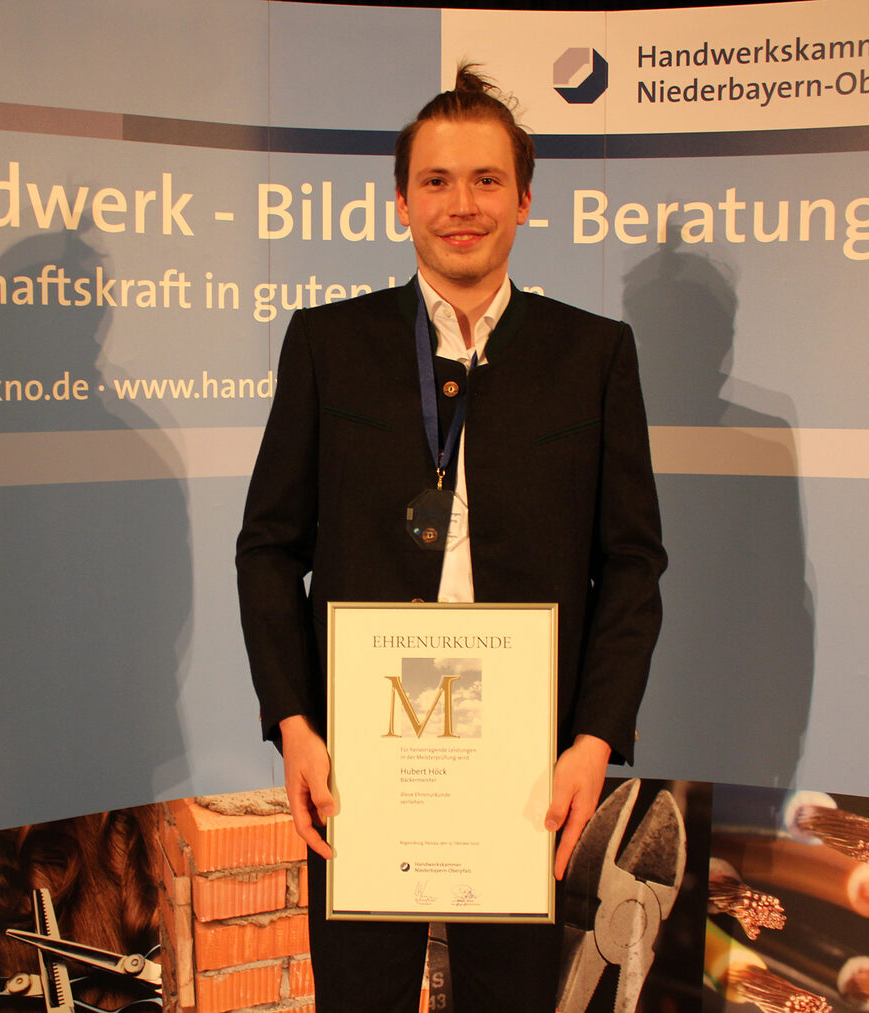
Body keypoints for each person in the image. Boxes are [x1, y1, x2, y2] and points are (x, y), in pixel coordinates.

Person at [236, 64, 666, 1011]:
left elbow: (632, 564)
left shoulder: (592, 354)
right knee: (361, 998)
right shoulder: (328, 344)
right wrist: (295, 725)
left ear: (523, 199)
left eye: (484, 180)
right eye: (436, 181)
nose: (460, 205)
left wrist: (593, 739)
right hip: (361, 753)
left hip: (527, 759)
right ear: (401, 201)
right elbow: (267, 546)